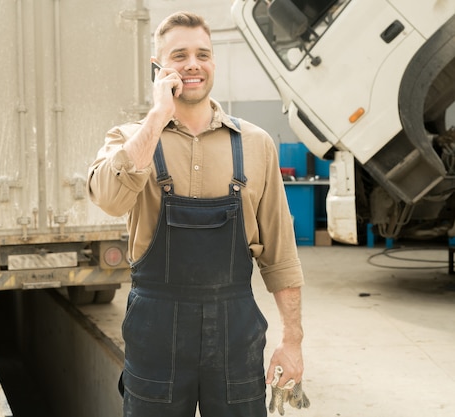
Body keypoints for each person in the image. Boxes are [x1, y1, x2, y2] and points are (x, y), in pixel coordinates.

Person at [87, 11, 305, 417]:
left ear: (213, 64)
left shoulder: (256, 144)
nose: (192, 64)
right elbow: (110, 198)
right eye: (178, 55)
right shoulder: (128, 139)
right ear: (158, 68)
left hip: (236, 329)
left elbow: (280, 255)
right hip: (156, 330)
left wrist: (292, 340)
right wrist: (157, 116)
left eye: (202, 54)